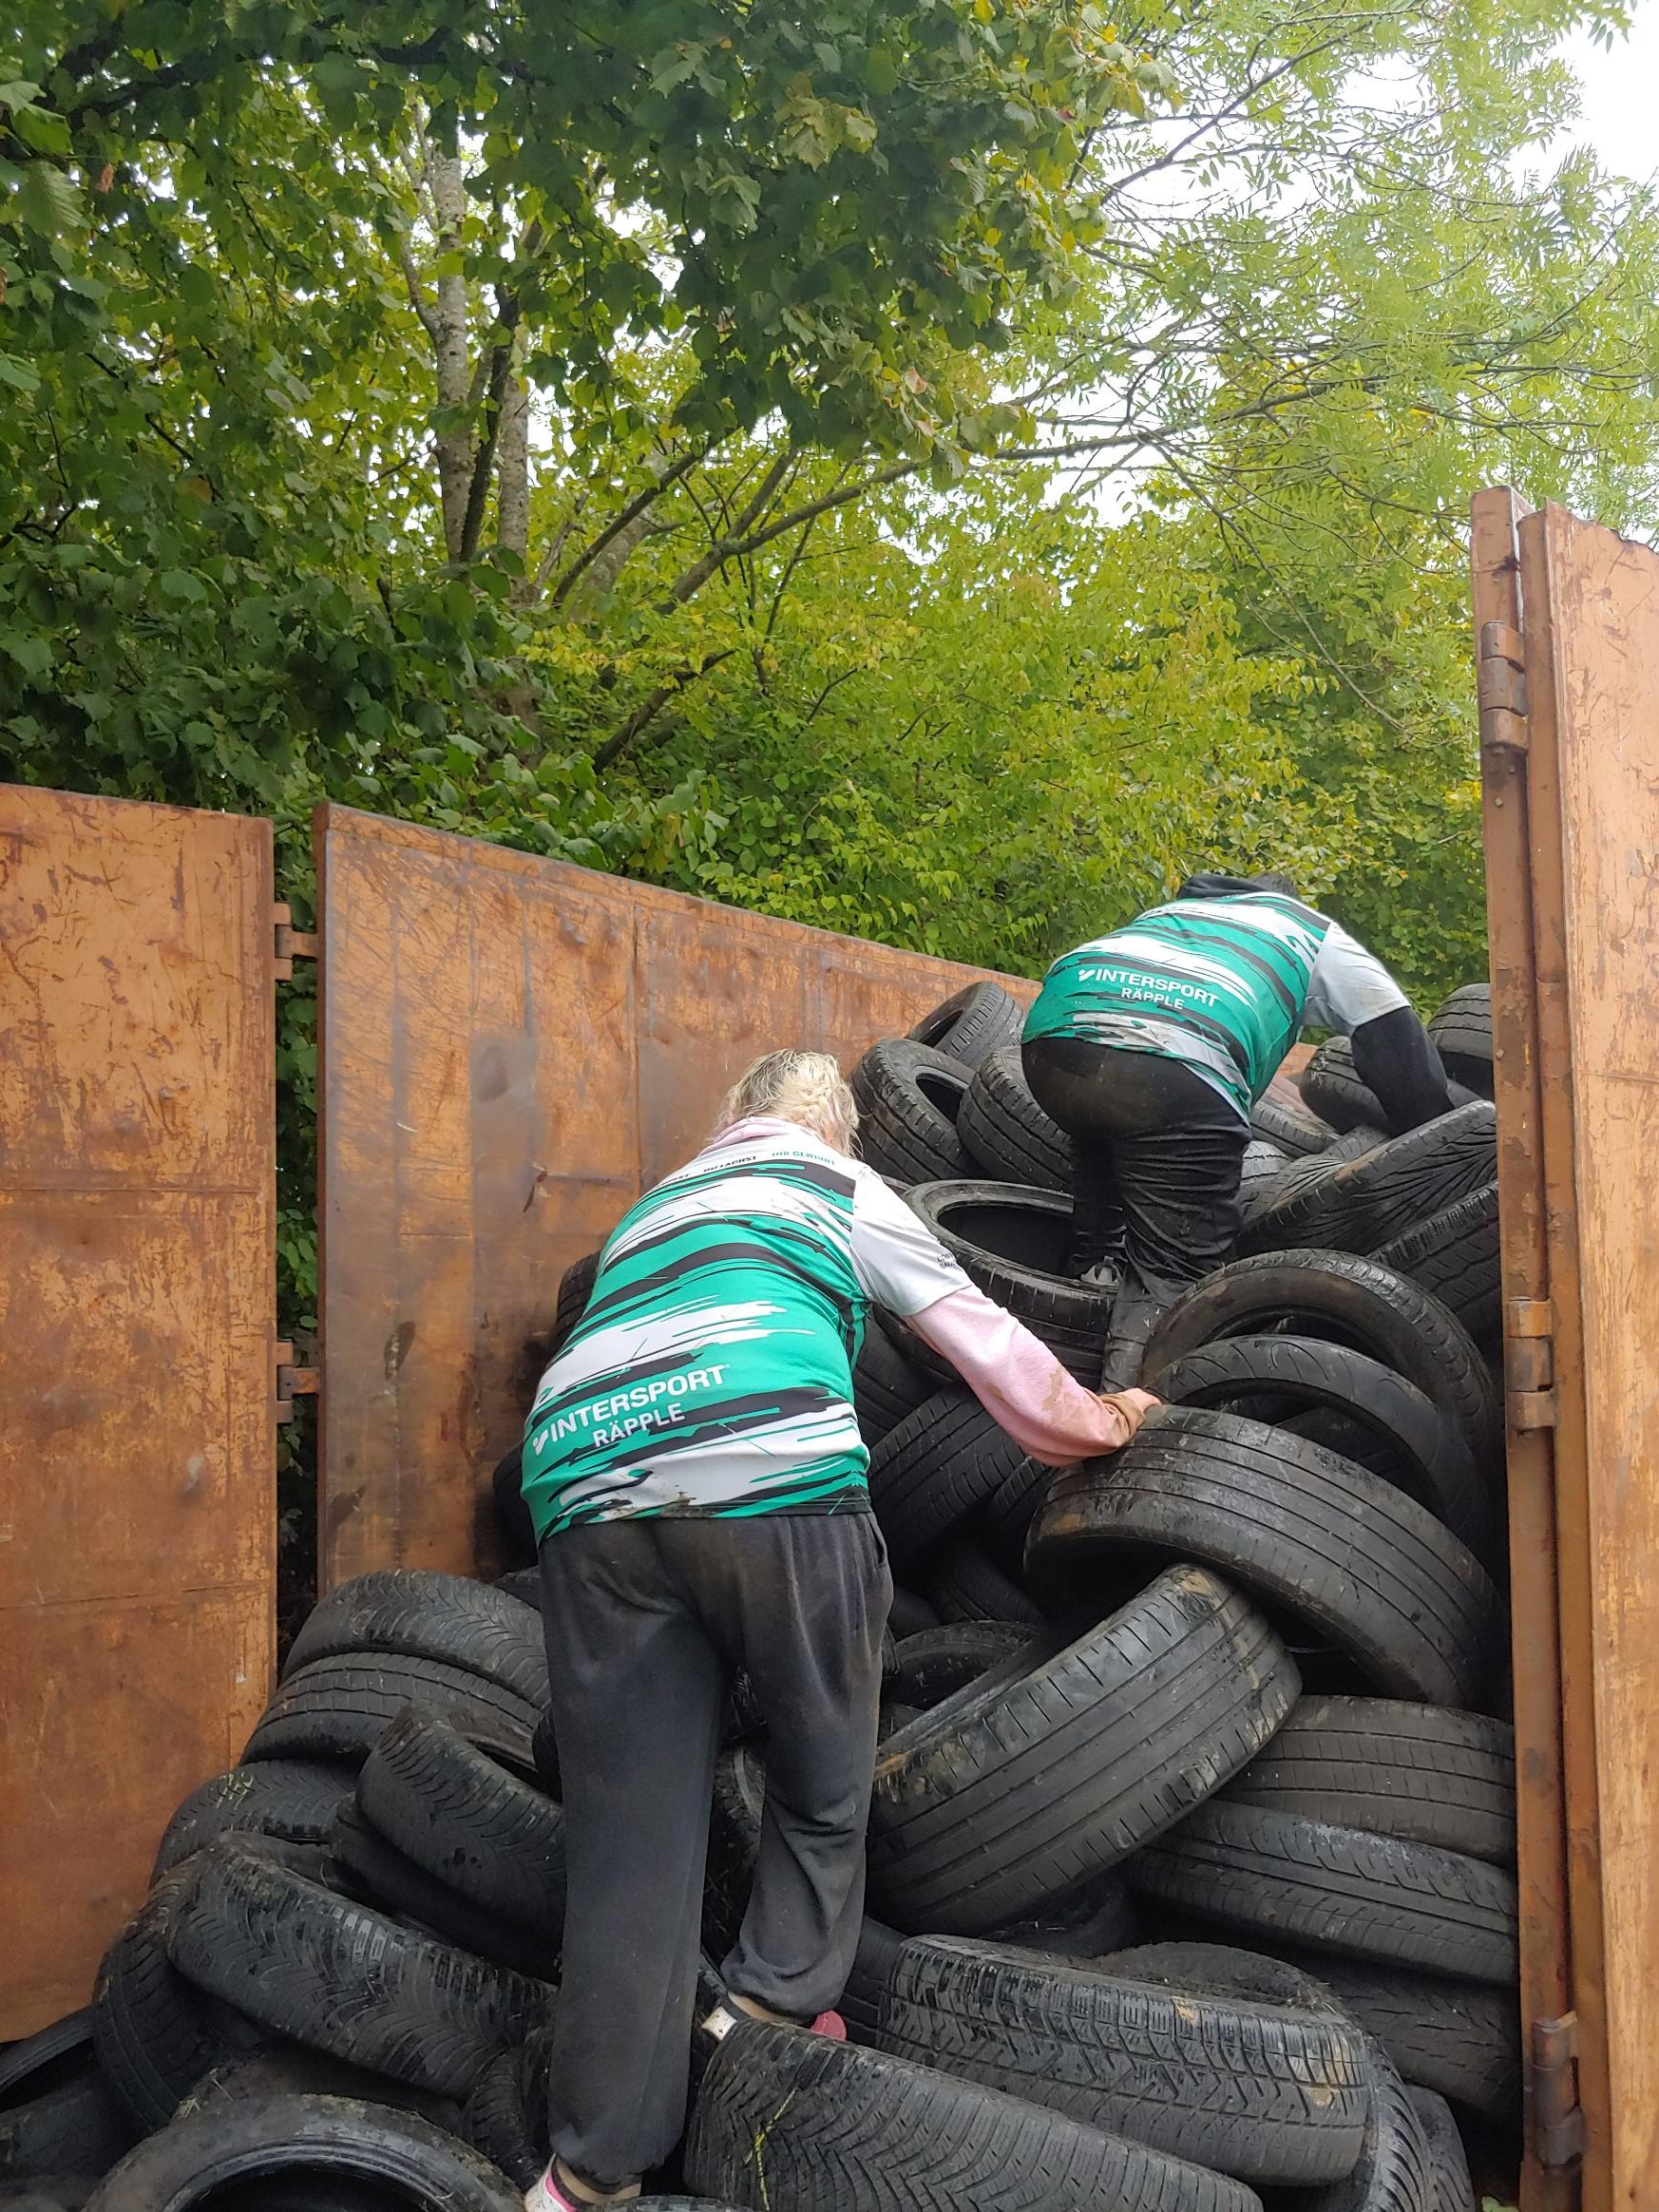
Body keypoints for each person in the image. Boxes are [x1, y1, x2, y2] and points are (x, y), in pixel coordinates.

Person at [516, 1048, 1159, 2211]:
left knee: (628, 1845)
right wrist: (1103, 1420)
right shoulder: (835, 1184)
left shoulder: (653, 1209)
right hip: (771, 1473)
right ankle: (765, 2011)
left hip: (578, 1487)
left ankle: (588, 2172)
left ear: (732, 1118)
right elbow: (986, 1344)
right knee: (821, 1779)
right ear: (839, 1130)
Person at [1021, 871, 1455, 1386]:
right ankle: (1128, 1418)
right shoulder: (1312, 931)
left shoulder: (1171, 915)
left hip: (1052, 1044)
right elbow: (1399, 1048)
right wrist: (1435, 1138)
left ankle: (1078, 1302)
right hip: (1174, 1068)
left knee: (1104, 1180)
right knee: (1175, 1278)